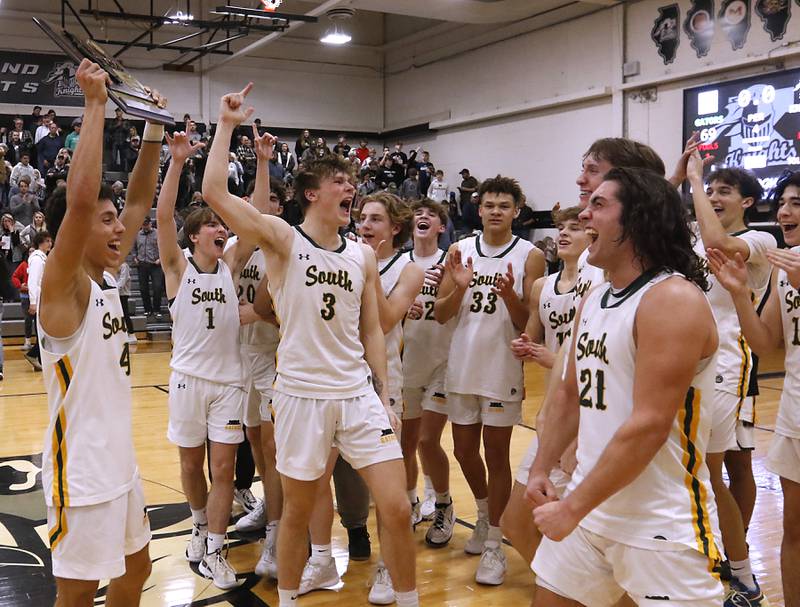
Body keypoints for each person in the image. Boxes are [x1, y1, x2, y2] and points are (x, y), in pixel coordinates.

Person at [202, 83, 419, 607]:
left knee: (394, 506)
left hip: (356, 392)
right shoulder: (282, 238)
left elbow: (372, 329)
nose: (351, 189)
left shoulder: (362, 257)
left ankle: (409, 599)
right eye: (339, 182)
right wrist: (227, 125)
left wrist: (386, 395)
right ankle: (292, 600)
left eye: (352, 181)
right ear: (312, 194)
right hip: (300, 394)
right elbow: (214, 193)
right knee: (297, 512)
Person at [528, 167, 723, 607]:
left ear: (637, 220)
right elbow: (567, 392)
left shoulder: (671, 299)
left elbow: (649, 424)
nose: (584, 213)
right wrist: (542, 466)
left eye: (598, 205)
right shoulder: (595, 297)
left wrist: (570, 508)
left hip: (659, 522)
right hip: (590, 505)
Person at [37, 59, 163, 607]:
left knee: (136, 574)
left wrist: (155, 130)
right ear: (71, 228)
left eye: (117, 221)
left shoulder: (105, 277)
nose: (120, 228)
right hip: (81, 473)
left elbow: (137, 202)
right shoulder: (61, 285)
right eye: (105, 220)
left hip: (120, 463)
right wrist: (93, 106)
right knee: (78, 593)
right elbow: (81, 201)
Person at [435, 175, 545, 585]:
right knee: (464, 450)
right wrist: (460, 288)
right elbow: (442, 314)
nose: (495, 211)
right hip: (462, 365)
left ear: (517, 211)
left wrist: (511, 298)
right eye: (488, 205)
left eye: (504, 205)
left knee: (496, 455)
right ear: (478, 210)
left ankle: (497, 544)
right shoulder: (460, 250)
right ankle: (483, 515)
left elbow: (529, 325)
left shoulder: (531, 255)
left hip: (501, 369)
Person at [707, 170, 800, 607]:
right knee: (793, 531)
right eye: (783, 201)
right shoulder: (785, 269)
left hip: (730, 369)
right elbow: (768, 343)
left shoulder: (771, 251)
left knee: (725, 467)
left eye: (796, 203)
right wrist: (742, 294)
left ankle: (737, 565)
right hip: (792, 412)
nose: (784, 211)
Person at [157, 130, 245, 590]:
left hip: (229, 383)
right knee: (191, 467)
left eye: (221, 224)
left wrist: (263, 162)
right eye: (212, 224)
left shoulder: (230, 266)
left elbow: (251, 219)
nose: (221, 229)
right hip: (189, 381)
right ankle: (196, 523)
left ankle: (215, 548)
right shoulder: (178, 268)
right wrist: (175, 163)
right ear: (195, 235)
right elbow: (162, 218)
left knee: (224, 470)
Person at [685, 146, 774, 606]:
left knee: (713, 471)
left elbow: (721, 243)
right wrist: (681, 174)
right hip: (685, 360)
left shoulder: (761, 241)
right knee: (700, 471)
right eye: (712, 189)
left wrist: (697, 181)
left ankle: (739, 573)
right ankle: (723, 560)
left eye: (726, 191)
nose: (715, 196)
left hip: (726, 365)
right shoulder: (690, 235)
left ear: (748, 202)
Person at [502, 205, 589, 568]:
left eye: (574, 227)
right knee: (516, 521)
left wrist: (550, 358)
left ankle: (567, 589)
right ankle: (560, 588)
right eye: (560, 228)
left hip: (586, 410)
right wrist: (524, 347)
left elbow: (583, 361)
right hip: (554, 407)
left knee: (576, 529)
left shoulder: (597, 284)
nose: (564, 234)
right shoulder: (543, 285)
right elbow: (533, 337)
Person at [230, 130, 287, 584]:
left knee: (270, 445)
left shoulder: (282, 252)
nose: (260, 213)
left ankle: (277, 532)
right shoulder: (238, 248)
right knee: (253, 441)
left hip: (273, 357)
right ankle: (269, 504)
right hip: (239, 361)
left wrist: (264, 161)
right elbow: (253, 209)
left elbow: (288, 314)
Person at [402, 199, 457, 547]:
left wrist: (442, 290)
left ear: (441, 226)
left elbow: (449, 312)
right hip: (405, 364)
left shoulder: (449, 261)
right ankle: (409, 501)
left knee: (427, 440)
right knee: (405, 447)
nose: (423, 216)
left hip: (442, 363)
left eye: (432, 215)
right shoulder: (399, 263)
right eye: (418, 213)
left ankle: (444, 503)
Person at [132, 217, 164, 321]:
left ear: (150, 223)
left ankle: (157, 310)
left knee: (157, 287)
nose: (145, 226)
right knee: (143, 288)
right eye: (143, 224)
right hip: (142, 264)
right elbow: (134, 248)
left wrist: (160, 259)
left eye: (147, 224)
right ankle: (147, 309)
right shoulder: (137, 235)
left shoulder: (158, 234)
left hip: (155, 264)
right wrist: (135, 257)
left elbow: (163, 247)